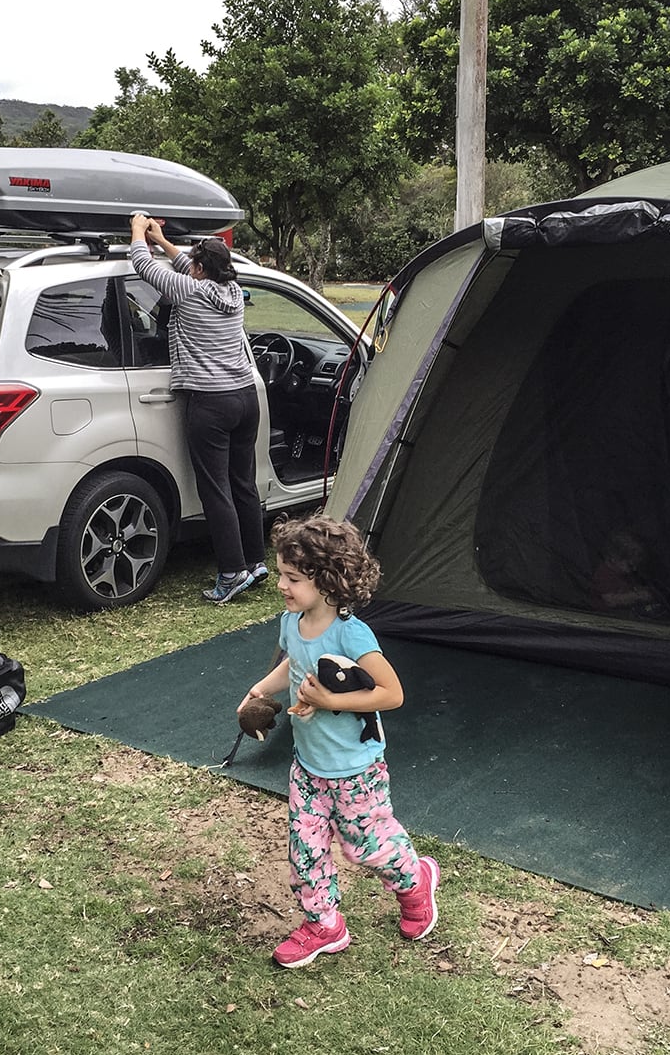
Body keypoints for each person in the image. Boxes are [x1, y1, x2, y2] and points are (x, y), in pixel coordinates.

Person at [236, 515, 440, 968]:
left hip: (355, 770)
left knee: (365, 846)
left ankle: (416, 881)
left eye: (292, 578)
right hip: (308, 766)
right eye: (282, 575)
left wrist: (329, 700)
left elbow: (392, 693)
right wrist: (262, 690)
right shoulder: (294, 621)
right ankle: (323, 924)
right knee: (305, 849)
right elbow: (293, 665)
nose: (282, 586)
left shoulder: (352, 633)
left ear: (326, 580)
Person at [128, 214, 268, 604]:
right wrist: (165, 240)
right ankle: (255, 561)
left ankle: (230, 572)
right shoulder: (234, 291)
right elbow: (184, 268)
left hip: (210, 402)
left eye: (193, 263)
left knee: (215, 488)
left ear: (201, 269)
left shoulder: (188, 292)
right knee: (243, 483)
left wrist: (140, 233)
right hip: (244, 398)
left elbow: (143, 265)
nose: (188, 266)